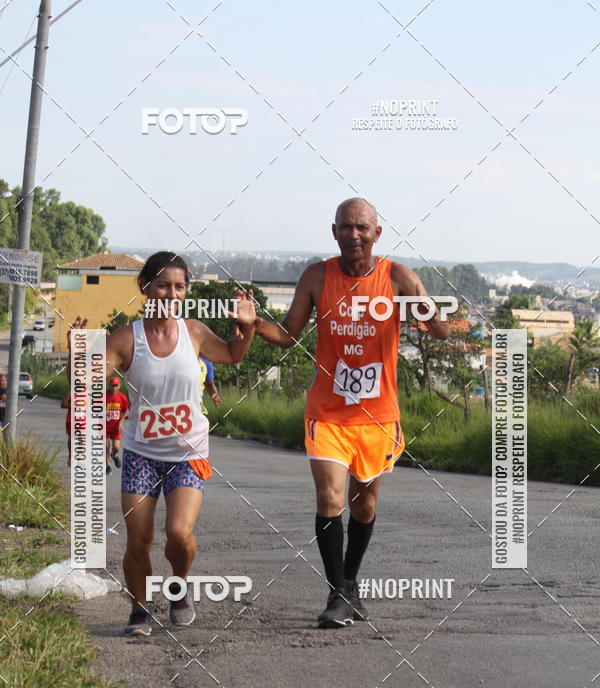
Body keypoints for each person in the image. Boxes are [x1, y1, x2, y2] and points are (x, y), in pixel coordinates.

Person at [254, 198, 450, 628]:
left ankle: (351, 584)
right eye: (346, 227)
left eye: (363, 228)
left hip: (377, 415)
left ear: (377, 233)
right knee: (330, 498)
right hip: (327, 411)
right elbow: (288, 334)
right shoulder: (316, 276)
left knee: (364, 506)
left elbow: (441, 330)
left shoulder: (397, 277)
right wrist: (253, 324)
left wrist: (425, 306)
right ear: (334, 231)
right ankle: (337, 593)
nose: (354, 235)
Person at [67, 251, 256, 637]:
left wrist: (247, 328)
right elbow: (86, 383)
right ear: (146, 288)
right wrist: (78, 356)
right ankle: (139, 609)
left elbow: (234, 355)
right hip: (141, 453)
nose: (172, 293)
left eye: (180, 286)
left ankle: (178, 585)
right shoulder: (126, 338)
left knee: (179, 534)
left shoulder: (195, 332)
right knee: (139, 539)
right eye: (163, 285)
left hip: (188, 454)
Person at [105, 376, 130, 474]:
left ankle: (114, 455)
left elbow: (126, 410)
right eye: (112, 386)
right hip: (104, 427)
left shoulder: (122, 397)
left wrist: (120, 422)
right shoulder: (103, 396)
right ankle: (108, 465)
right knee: (106, 446)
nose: (114, 388)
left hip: (116, 427)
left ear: (119, 386)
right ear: (109, 386)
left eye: (116, 386)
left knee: (116, 447)